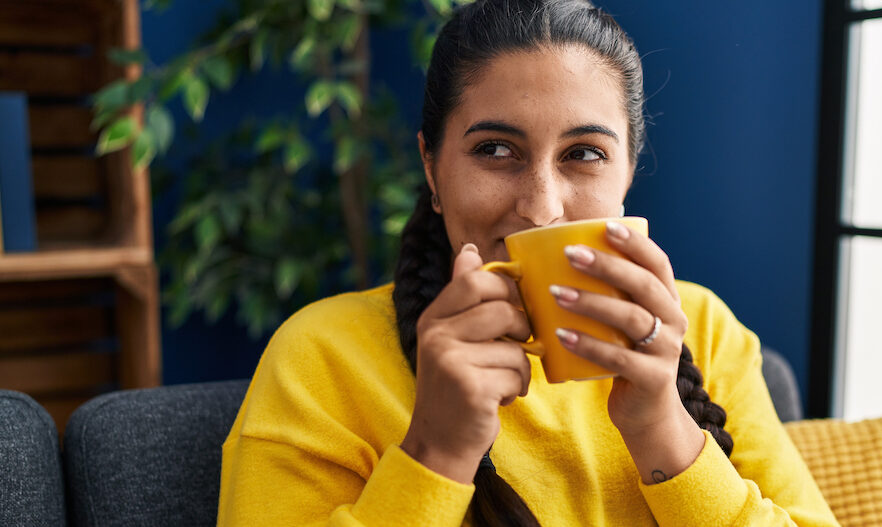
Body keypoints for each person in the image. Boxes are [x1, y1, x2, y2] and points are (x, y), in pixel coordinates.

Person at [217, 0, 840, 525]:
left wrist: (663, 429)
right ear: (433, 170)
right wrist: (436, 452)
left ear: (628, 171)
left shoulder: (699, 326)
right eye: (495, 149)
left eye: (585, 154)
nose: (542, 207)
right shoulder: (320, 358)